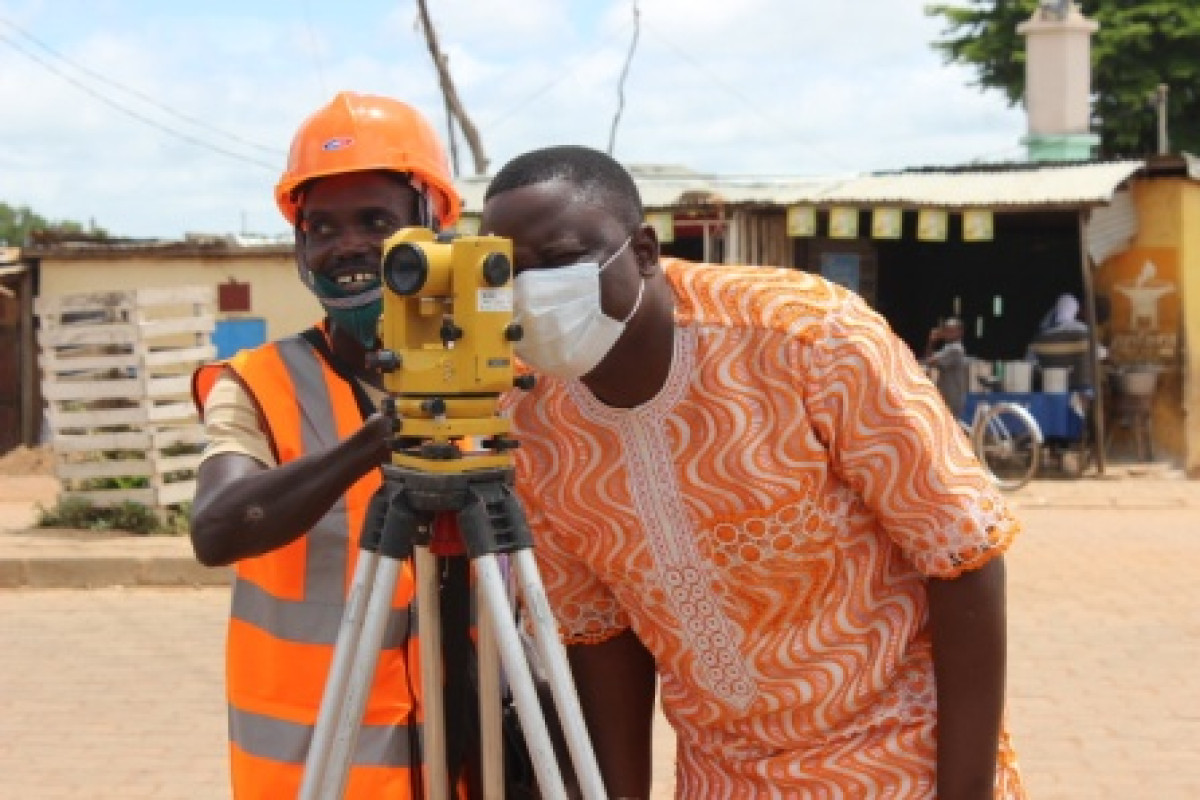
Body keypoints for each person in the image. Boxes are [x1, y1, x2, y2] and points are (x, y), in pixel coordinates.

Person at [482, 145, 1027, 798]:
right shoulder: (531, 418)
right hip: (723, 777)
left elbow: (962, 555)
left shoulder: (808, 339)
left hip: (900, 761)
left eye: (563, 259)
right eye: (509, 270)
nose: (535, 291)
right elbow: (600, 635)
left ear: (646, 250)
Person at [188, 91, 462, 799]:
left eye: (376, 221)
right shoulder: (254, 384)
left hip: (474, 761)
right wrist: (374, 441)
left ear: (432, 225)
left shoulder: (506, 374)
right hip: (318, 774)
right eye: (322, 227)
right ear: (299, 246)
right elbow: (217, 531)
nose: (346, 246)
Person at [924, 316, 971, 419]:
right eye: (947, 330)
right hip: (946, 396)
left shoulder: (955, 349)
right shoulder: (947, 348)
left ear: (960, 332)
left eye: (952, 330)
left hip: (951, 398)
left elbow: (930, 361)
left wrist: (931, 341)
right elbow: (930, 360)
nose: (948, 333)